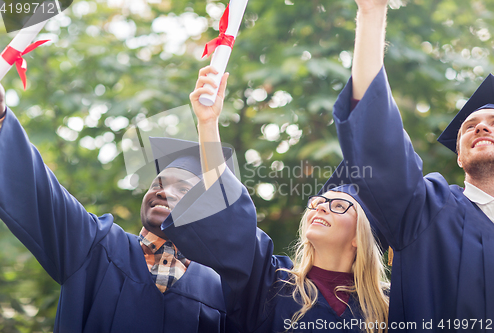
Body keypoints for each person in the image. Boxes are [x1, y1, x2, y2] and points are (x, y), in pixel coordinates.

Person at [159, 66, 390, 333]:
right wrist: (208, 123)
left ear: (359, 237)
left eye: (338, 206)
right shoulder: (271, 285)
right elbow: (229, 213)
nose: (322, 207)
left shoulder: (387, 307)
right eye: (317, 203)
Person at [0, 80, 238, 332]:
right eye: (158, 183)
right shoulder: (96, 247)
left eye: (183, 189)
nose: (163, 192)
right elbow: (43, 195)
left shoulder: (221, 292)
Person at [331, 0, 494, 331]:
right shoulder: (427, 209)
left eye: (493, 121)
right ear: (459, 156)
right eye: (469, 125)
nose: (480, 127)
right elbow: (379, 139)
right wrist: (371, 13)